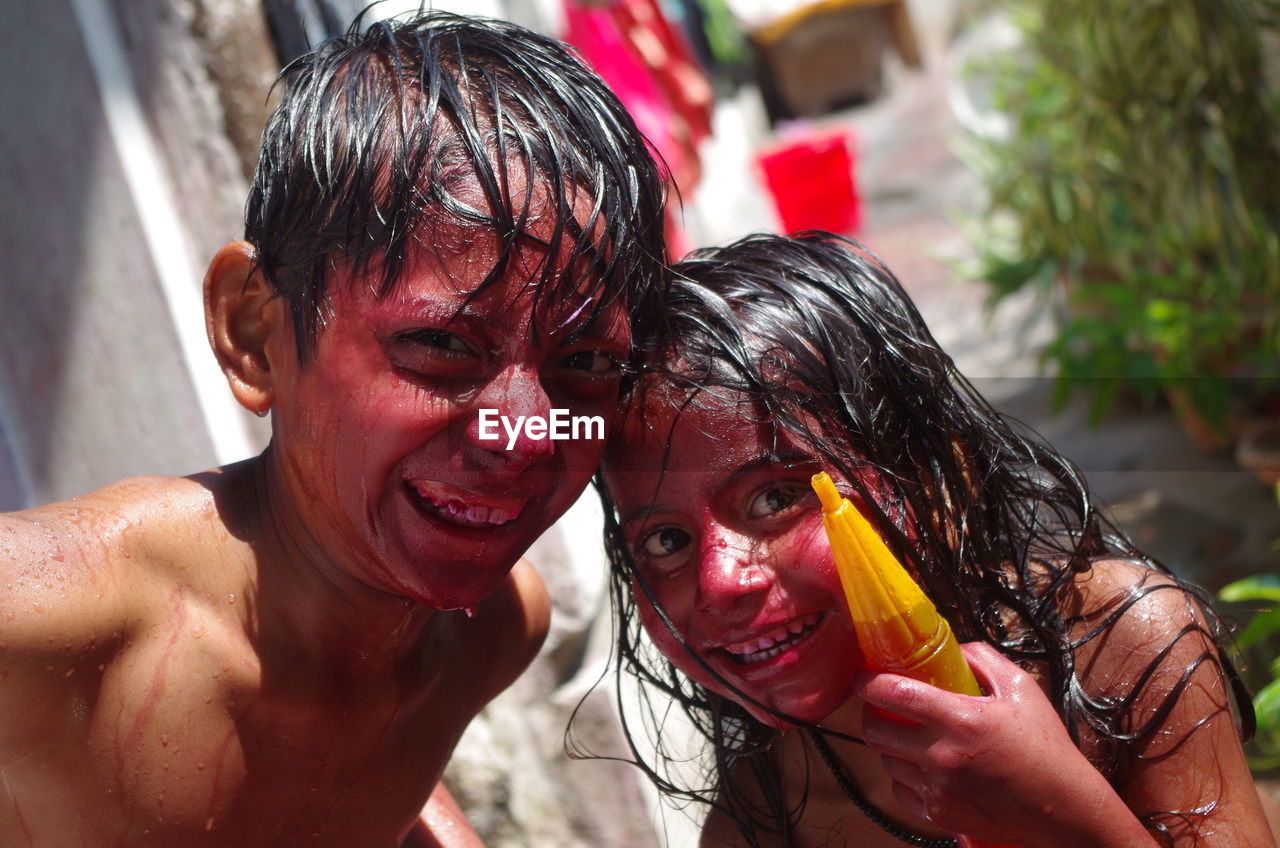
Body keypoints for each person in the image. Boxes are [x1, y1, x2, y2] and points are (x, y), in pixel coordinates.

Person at [0, 9, 666, 847]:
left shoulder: (490, 634)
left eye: (588, 366)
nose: (525, 432)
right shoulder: (50, 623)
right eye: (442, 345)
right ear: (255, 332)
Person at [598, 232, 1277, 847]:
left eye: (776, 498)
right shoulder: (766, 822)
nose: (720, 581)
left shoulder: (1121, 644)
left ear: (934, 473)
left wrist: (1062, 816)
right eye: (663, 542)